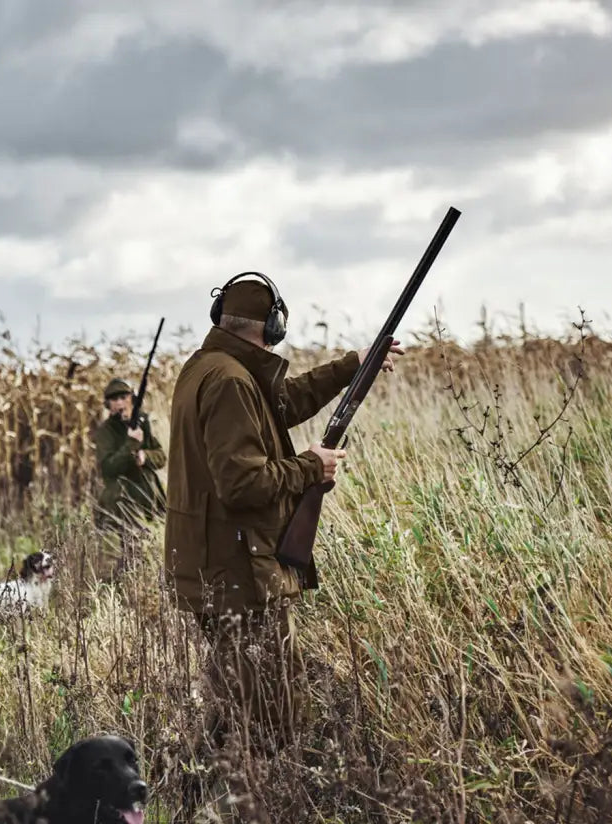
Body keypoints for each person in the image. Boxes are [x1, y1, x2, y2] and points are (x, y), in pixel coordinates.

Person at [164, 272, 401, 754]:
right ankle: (253, 810)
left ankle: (201, 796)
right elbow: (244, 484)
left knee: (236, 702)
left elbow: (281, 403)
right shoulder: (230, 381)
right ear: (270, 325)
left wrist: (354, 366)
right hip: (238, 574)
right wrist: (311, 467)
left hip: (220, 568)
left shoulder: (211, 368)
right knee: (273, 715)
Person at [93, 377, 166, 577]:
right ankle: (123, 587)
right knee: (132, 551)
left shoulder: (141, 421)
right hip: (123, 499)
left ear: (132, 399)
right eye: (114, 399)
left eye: (123, 397)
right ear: (108, 404)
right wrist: (132, 444)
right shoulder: (105, 432)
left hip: (149, 495)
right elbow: (108, 468)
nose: (119, 403)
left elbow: (161, 456)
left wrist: (145, 456)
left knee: (158, 547)